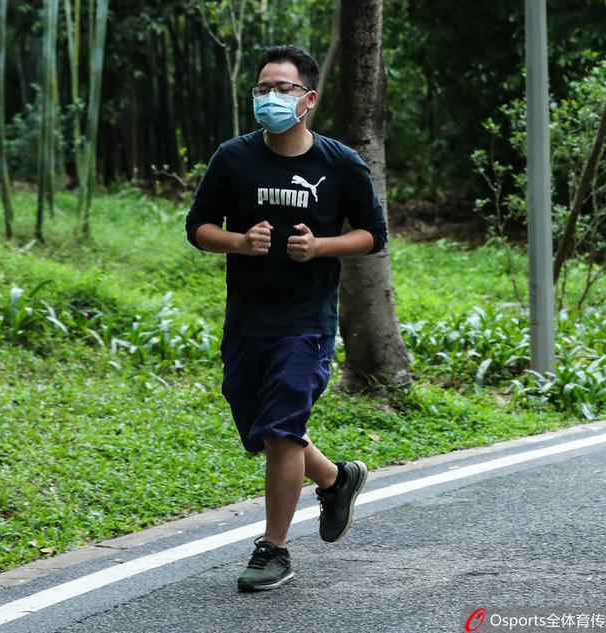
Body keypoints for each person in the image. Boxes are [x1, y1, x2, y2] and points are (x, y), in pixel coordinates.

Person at [184, 44, 388, 592]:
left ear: (308, 98)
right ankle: (335, 479)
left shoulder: (339, 163)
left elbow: (373, 234)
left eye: (282, 88)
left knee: (279, 434)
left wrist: (320, 247)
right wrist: (238, 241)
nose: (270, 97)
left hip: (306, 322)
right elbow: (198, 227)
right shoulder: (233, 157)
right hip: (246, 319)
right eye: (263, 88)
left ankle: (273, 549)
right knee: (264, 428)